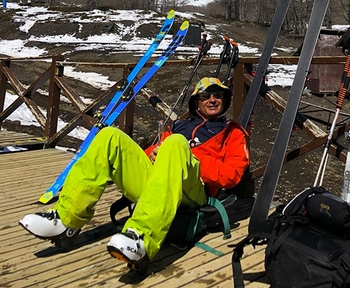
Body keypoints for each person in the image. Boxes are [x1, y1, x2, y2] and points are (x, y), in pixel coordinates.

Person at [19, 77, 249, 271]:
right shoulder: (180, 126)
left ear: (225, 100)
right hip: (159, 183)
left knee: (176, 144)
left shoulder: (231, 132)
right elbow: (148, 154)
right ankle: (66, 219)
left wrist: (192, 157)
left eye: (218, 95)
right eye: (206, 95)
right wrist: (151, 154)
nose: (212, 99)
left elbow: (233, 175)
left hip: (193, 191)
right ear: (196, 102)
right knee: (110, 135)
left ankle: (141, 238)